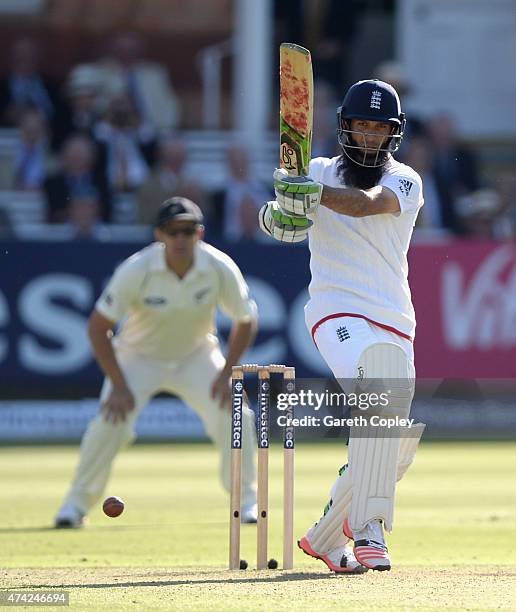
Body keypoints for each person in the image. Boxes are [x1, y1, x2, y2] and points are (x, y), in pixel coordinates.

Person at [259, 79, 426, 573]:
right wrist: (277, 215)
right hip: (336, 312)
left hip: (395, 321)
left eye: (380, 128)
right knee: (377, 387)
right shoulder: (315, 170)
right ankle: (371, 525)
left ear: (393, 134)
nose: (370, 136)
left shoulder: (406, 181)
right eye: (362, 126)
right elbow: (283, 220)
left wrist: (312, 195)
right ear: (345, 127)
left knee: (396, 444)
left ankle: (327, 538)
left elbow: (365, 203)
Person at [55, 197, 258, 528]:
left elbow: (246, 320)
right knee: (109, 421)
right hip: (138, 357)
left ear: (200, 234)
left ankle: (247, 501)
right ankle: (74, 506)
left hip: (197, 355)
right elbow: (98, 327)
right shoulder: (137, 269)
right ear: (159, 235)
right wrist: (119, 386)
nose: (180, 239)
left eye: (187, 231)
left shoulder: (219, 266)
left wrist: (227, 374)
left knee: (236, 413)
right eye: (172, 232)